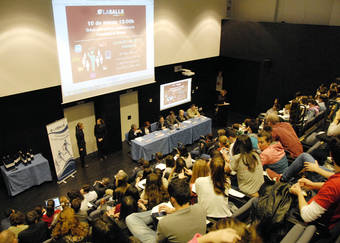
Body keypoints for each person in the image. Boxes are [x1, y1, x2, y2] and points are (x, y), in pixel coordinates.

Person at [126, 178, 206, 243]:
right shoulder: (201, 209)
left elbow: (158, 241)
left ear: (172, 199)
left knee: (130, 218)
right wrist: (173, 211)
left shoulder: (165, 223)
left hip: (160, 237)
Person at [289, 138, 340, 234]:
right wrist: (312, 185)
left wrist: (299, 192)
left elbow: (306, 215)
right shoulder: (335, 182)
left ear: (331, 156)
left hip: (317, 222)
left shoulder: (333, 185)